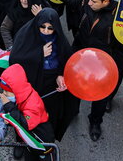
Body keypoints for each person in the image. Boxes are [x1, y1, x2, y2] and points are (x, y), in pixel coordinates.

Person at [44, 0, 117, 141]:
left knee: (100, 95)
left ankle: (95, 122)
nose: (88, 3)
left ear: (106, 2)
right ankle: (72, 110)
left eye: (93, 2)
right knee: (72, 84)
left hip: (103, 62)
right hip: (79, 52)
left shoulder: (120, 14)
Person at [10, 8, 77, 143]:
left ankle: (46, 140)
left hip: (51, 84)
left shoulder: (60, 40)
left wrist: (60, 75)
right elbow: (15, 59)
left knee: (49, 114)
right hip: (32, 82)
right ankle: (22, 140)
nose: (46, 31)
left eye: (50, 28)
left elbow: (67, 60)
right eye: (43, 27)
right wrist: (39, 54)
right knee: (27, 113)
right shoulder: (26, 34)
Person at [0, 64, 55, 161]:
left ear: (15, 90)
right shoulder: (21, 97)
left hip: (42, 142)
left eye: (6, 91)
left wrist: (8, 106)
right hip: (29, 142)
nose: (4, 93)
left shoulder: (33, 104)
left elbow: (24, 125)